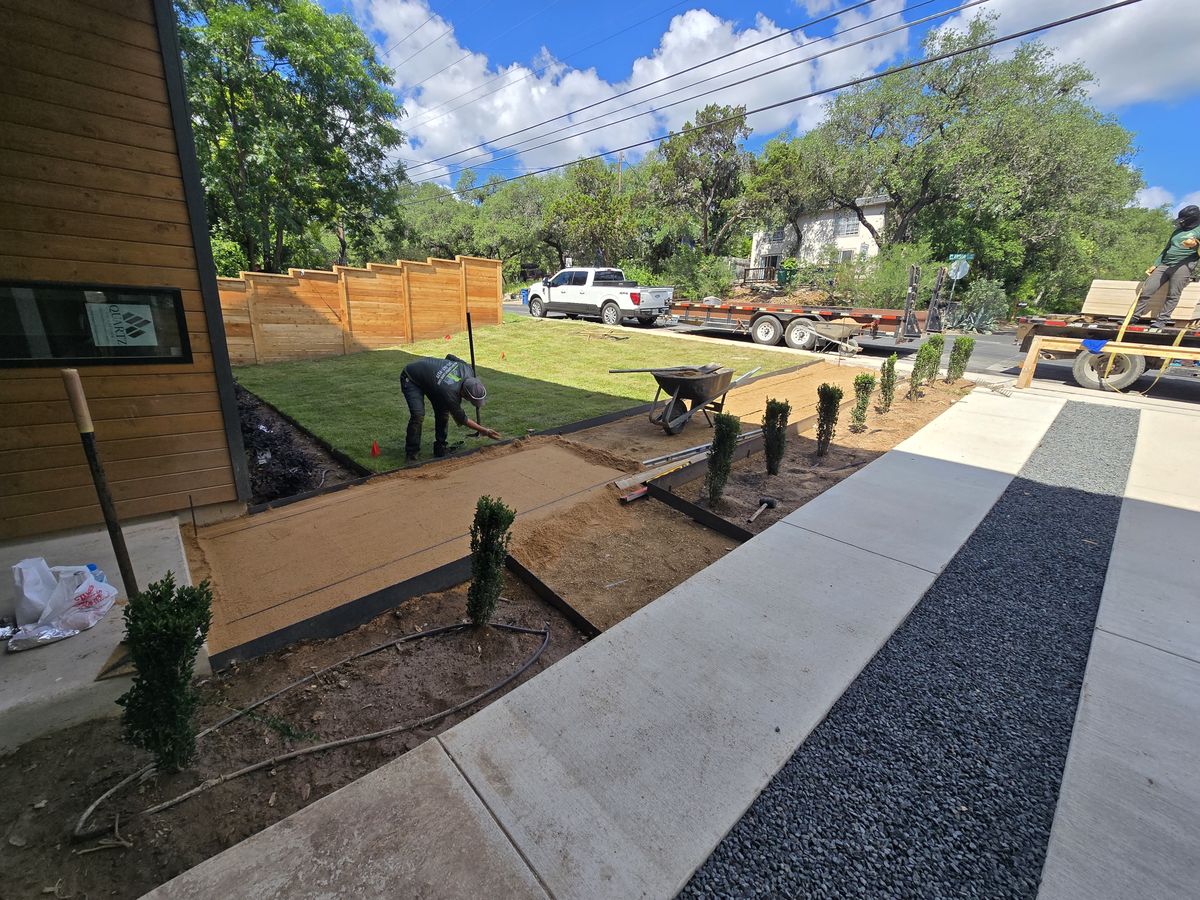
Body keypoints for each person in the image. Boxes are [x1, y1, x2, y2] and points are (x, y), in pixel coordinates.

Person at [401, 354, 499, 461]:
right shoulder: (450, 393)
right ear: (463, 393)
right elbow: (462, 419)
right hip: (411, 378)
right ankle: (412, 452)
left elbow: (450, 356)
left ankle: (440, 447)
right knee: (418, 414)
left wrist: (440, 373)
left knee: (443, 411)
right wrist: (484, 430)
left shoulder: (468, 369)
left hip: (434, 381)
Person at [1134, 204, 1200, 327]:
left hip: (1183, 265)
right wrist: (1156, 264)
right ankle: (1134, 317)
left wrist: (1195, 244)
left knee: (1173, 294)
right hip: (1165, 264)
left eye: (1184, 221)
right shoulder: (1177, 232)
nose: (1181, 223)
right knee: (1147, 289)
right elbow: (1166, 249)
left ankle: (1162, 320)